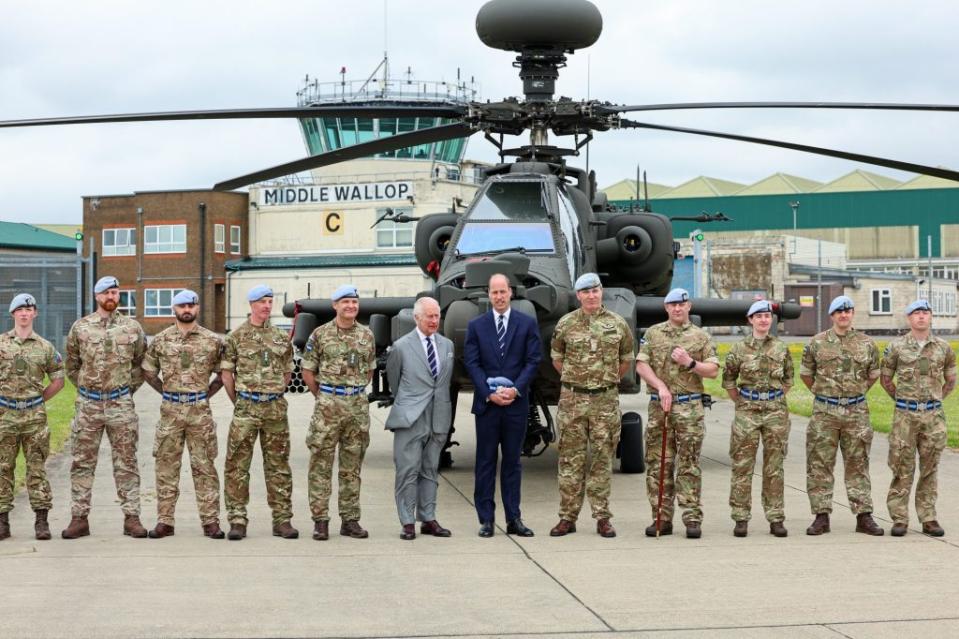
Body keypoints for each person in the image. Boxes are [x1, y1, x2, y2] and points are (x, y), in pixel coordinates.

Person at [62, 276, 148, 539]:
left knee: (127, 462)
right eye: (107, 292)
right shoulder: (81, 328)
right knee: (82, 462)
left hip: (120, 404)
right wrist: (89, 391)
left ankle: (132, 518)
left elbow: (140, 364)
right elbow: (72, 366)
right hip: (89, 404)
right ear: (97, 296)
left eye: (115, 292)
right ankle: (79, 518)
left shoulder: (132, 328)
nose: (112, 296)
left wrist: (123, 391)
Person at [549, 273, 634, 538]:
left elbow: (625, 360)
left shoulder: (618, 324)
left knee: (601, 460)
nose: (591, 295)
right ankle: (567, 517)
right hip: (573, 401)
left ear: (601, 291)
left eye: (595, 290)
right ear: (579, 296)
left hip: (605, 401)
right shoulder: (566, 324)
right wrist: (579, 381)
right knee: (570, 460)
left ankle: (602, 517)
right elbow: (557, 358)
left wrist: (604, 381)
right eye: (586, 292)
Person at [141, 290, 225, 539]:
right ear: (174, 309)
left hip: (200, 411)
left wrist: (205, 394)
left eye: (191, 305)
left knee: (205, 465)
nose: (186, 309)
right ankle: (165, 521)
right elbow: (148, 371)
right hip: (171, 412)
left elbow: (223, 373)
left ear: (197, 309)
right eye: (182, 306)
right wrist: (166, 393)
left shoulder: (212, 340)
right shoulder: (161, 340)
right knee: (166, 466)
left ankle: (210, 521)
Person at [635, 287, 719, 539]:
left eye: (681, 305)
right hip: (660, 406)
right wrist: (660, 386)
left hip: (689, 408)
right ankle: (661, 517)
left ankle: (692, 518)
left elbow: (713, 370)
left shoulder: (700, 337)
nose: (677, 309)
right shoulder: (653, 333)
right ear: (666, 308)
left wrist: (690, 362)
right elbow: (641, 364)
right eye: (672, 305)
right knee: (659, 463)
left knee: (689, 464)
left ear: (689, 306)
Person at [464, 274, 542, 538]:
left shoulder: (527, 324)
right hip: (488, 407)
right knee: (485, 462)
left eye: (503, 291)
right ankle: (486, 519)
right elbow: (472, 364)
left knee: (512, 463)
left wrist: (515, 389)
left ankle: (514, 518)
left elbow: (533, 360)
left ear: (511, 293)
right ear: (488, 294)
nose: (499, 296)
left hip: (515, 406)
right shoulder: (476, 326)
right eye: (494, 292)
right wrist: (488, 393)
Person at [800, 295, 884, 536]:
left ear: (852, 314)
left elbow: (873, 374)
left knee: (858, 463)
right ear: (832, 315)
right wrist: (823, 393)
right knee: (819, 464)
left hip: (856, 412)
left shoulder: (867, 343)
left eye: (847, 311)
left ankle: (864, 516)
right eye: (839, 311)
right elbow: (807, 375)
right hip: (825, 412)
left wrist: (855, 393)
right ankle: (821, 516)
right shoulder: (817, 343)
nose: (843, 315)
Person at [220, 284, 298, 540]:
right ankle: (237, 519)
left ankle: (282, 520)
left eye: (270, 301)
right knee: (237, 465)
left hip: (274, 408)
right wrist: (241, 401)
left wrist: (273, 392)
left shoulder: (279, 337)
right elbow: (227, 375)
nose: (267, 305)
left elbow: (287, 372)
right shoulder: (236, 336)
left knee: (278, 465)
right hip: (246, 408)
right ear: (251, 304)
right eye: (262, 301)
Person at [300, 284, 376, 541]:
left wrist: (351, 393)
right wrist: (325, 397)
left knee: (351, 467)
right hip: (328, 408)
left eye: (354, 302)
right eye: (345, 302)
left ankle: (350, 520)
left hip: (356, 408)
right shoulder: (319, 335)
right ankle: (320, 521)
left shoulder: (366, 335)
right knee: (320, 465)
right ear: (335, 305)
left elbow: (369, 372)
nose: (351, 307)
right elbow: (308, 372)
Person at [880, 299, 956, 537]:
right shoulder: (896, 347)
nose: (921, 317)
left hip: (933, 415)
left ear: (931, 317)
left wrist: (935, 399)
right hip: (905, 415)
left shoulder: (944, 347)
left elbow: (951, 379)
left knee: (930, 467)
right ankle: (899, 518)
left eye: (925, 312)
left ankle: (929, 517)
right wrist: (902, 400)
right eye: (916, 313)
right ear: (909, 318)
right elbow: (886, 379)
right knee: (902, 466)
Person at [721, 300, 793, 538]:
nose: (764, 320)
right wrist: (742, 401)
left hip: (775, 411)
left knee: (775, 467)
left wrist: (772, 398)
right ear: (750, 320)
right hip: (747, 412)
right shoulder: (738, 349)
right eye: (759, 316)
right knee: (742, 465)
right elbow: (729, 381)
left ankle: (775, 517)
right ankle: (740, 518)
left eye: (767, 316)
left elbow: (788, 380)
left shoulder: (781, 348)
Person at [385, 297, 454, 540]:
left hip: (438, 416)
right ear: (417, 318)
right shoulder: (401, 346)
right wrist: (409, 403)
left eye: (437, 316)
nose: (434, 321)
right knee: (407, 470)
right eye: (429, 316)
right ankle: (406, 521)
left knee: (430, 469)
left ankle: (428, 518)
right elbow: (394, 381)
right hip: (410, 416)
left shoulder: (447, 346)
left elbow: (443, 383)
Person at [0, 293, 64, 540]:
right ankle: (3, 521)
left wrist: (38, 401)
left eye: (29, 310)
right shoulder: (2, 344)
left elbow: (58, 379)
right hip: (5, 415)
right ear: (13, 314)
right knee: (3, 467)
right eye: (20, 310)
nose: (24, 314)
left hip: (34, 417)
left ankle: (41, 521)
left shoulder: (45, 347)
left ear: (35, 313)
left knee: (36, 467)